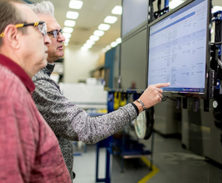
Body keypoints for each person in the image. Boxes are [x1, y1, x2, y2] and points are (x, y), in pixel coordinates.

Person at [30, 1, 169, 179]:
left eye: (61, 31)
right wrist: (139, 104)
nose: (62, 38)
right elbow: (88, 129)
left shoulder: (41, 77)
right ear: (34, 37)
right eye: (54, 32)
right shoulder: (37, 82)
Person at [0, 0, 71, 182]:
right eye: (39, 29)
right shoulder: (7, 91)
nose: (47, 39)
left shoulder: (15, 86)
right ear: (13, 36)